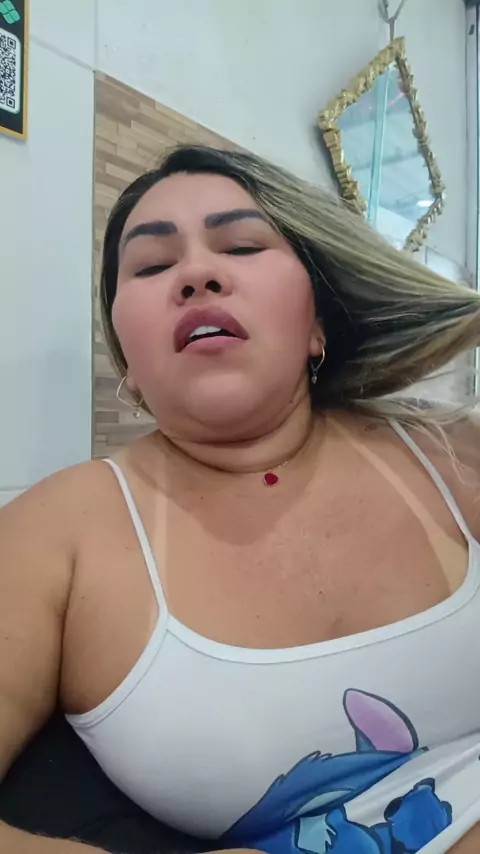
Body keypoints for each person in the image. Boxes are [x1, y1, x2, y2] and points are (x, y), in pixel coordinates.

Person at [0, 144, 479, 854]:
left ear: (317, 323)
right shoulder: (55, 534)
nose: (197, 274)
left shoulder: (453, 453)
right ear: (127, 360)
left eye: (243, 246)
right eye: (152, 265)